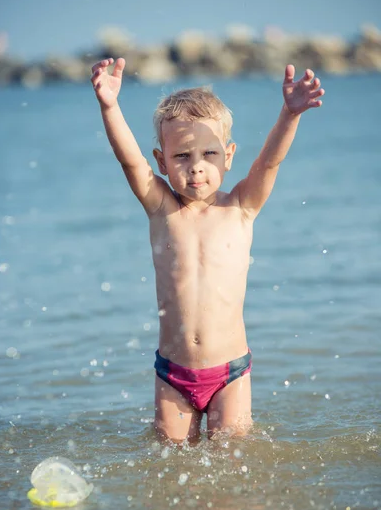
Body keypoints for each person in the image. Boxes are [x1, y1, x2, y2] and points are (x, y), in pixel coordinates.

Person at [91, 57, 324, 444]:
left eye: (209, 154)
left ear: (228, 155)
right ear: (162, 161)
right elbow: (129, 161)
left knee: (232, 464)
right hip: (173, 374)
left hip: (230, 372)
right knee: (170, 462)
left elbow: (269, 163)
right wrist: (110, 106)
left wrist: (290, 114)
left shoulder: (241, 207)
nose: (196, 168)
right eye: (182, 156)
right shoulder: (161, 208)